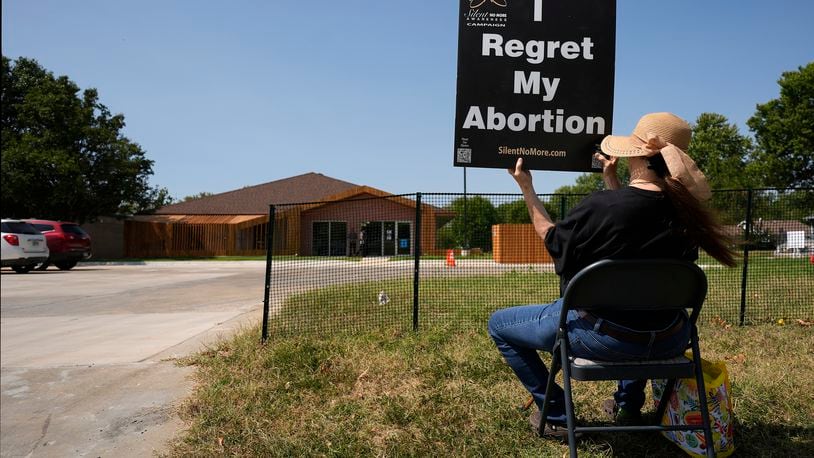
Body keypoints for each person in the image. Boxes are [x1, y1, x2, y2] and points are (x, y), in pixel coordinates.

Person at [487, 112, 737, 438]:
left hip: (605, 339)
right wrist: (613, 183)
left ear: (642, 157)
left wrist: (526, 187)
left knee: (499, 325)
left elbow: (553, 239)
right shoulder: (687, 217)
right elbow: (634, 235)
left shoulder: (603, 207)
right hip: (669, 338)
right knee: (642, 305)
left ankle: (560, 416)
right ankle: (628, 405)